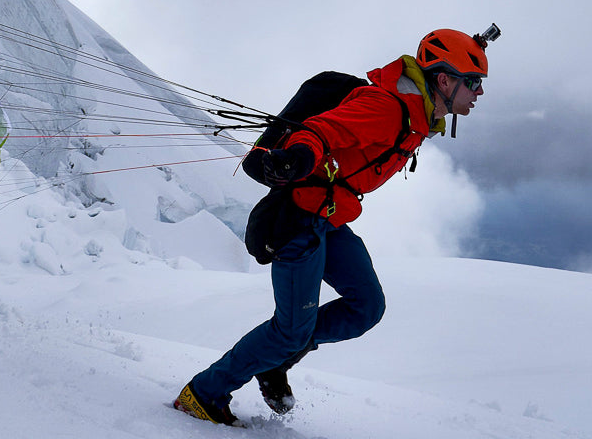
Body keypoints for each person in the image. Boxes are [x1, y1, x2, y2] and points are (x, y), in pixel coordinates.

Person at [174, 28, 492, 425]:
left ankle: (274, 361)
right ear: (444, 80)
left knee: (366, 306)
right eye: (473, 82)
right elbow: (321, 131)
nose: (478, 93)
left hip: (329, 217)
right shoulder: (389, 108)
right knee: (290, 330)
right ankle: (203, 394)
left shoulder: (416, 118)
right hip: (300, 219)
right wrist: (301, 155)